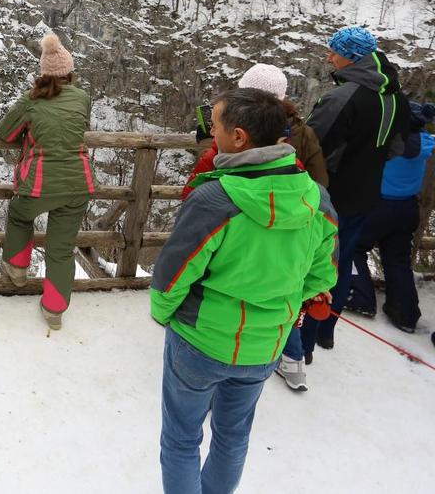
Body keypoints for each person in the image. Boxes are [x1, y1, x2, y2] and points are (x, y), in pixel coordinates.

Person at [151, 88, 339, 494]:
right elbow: (323, 277)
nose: (209, 131)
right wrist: (283, 308)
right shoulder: (317, 202)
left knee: (182, 439)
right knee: (232, 437)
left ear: (238, 137)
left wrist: (165, 313)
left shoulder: (216, 199)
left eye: (214, 125)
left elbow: (172, 273)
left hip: (200, 341)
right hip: (265, 345)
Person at [299, 26, 409, 359]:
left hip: (330, 193)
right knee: (341, 261)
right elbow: (396, 148)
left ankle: (301, 341)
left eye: (335, 51)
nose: (329, 56)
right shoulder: (394, 98)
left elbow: (311, 145)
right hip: (367, 193)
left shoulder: (342, 97)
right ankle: (326, 332)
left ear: (352, 57)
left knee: (313, 262)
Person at [0, 33, 96, 329]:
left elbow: (5, 133)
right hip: (78, 184)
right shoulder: (82, 97)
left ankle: (16, 269)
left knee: (18, 215)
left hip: (40, 184)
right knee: (61, 248)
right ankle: (54, 311)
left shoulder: (31, 101)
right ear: (70, 72)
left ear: (43, 73)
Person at [343, 102, 435, 332]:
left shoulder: (391, 142)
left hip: (378, 205)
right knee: (398, 259)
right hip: (407, 208)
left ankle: (361, 297)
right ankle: (405, 313)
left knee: (353, 246)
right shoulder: (425, 143)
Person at [181, 63, 328, 200]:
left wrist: (208, 141)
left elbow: (196, 190)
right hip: (289, 213)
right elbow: (319, 182)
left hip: (234, 214)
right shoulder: (301, 131)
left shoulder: (233, 132)